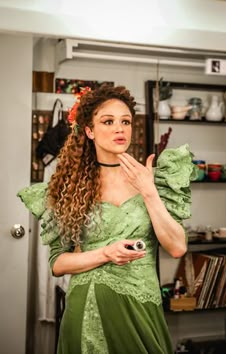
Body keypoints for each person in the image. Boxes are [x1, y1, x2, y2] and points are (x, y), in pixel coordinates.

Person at [18, 84, 197, 354]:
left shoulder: (154, 180)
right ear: (89, 130)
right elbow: (58, 263)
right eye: (108, 121)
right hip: (86, 311)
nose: (119, 128)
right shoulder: (69, 190)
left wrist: (149, 192)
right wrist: (105, 253)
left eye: (125, 121)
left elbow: (177, 247)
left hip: (140, 311)